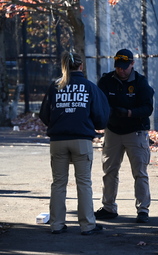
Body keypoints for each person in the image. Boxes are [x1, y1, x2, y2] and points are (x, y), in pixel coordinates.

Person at [39, 51, 110, 235]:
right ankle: (87, 225)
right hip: (81, 140)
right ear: (81, 66)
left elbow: (44, 115)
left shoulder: (55, 86)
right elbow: (101, 116)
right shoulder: (89, 87)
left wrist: (58, 124)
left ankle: (56, 224)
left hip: (58, 141)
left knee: (58, 183)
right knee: (84, 183)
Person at [95, 49, 154, 223]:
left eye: (124, 67)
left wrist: (129, 113)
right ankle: (108, 207)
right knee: (109, 171)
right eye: (118, 67)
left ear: (132, 64)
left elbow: (147, 108)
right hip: (113, 131)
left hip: (135, 131)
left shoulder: (141, 83)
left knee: (140, 172)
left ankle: (143, 209)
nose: (121, 71)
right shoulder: (106, 81)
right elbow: (99, 102)